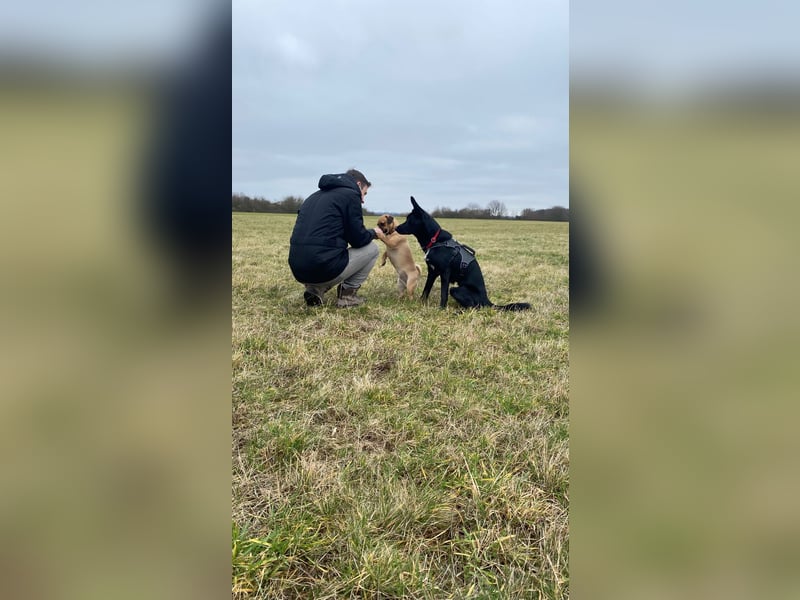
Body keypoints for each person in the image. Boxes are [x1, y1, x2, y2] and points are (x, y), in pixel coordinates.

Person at [288, 169, 387, 308]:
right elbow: (358, 239)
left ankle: (315, 290)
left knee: (327, 250)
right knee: (372, 249)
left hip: (297, 268)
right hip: (322, 266)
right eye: (364, 193)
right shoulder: (351, 195)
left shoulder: (313, 196)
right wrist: (374, 233)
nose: (363, 200)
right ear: (358, 184)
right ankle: (347, 296)